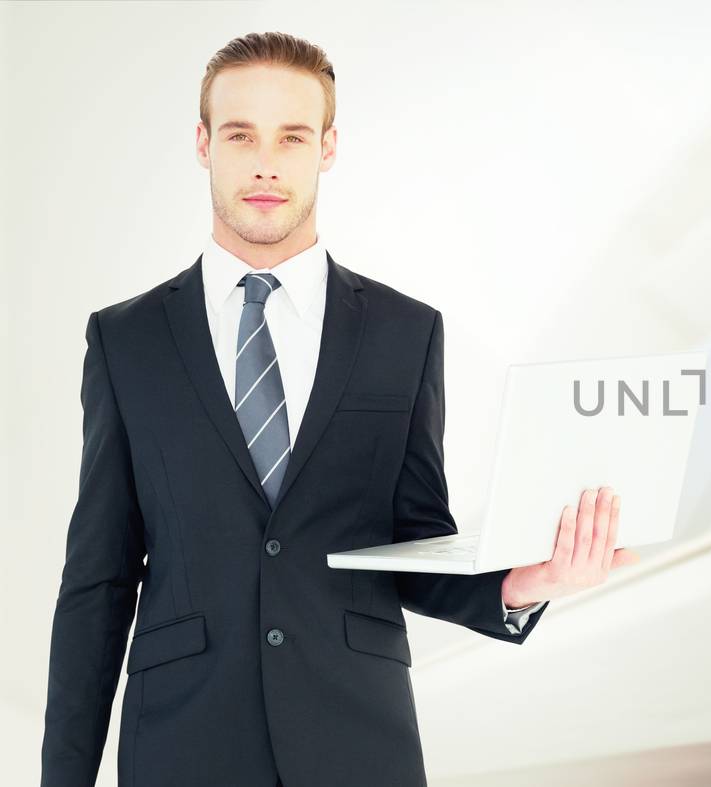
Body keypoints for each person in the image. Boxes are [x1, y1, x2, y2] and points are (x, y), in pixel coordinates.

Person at [39, 31, 639, 787]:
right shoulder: (127, 340)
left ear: (327, 147)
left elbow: (413, 543)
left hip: (358, 742)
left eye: (291, 136)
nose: (265, 163)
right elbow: (99, 578)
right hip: (182, 745)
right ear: (203, 144)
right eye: (240, 135)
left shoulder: (404, 332)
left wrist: (521, 583)